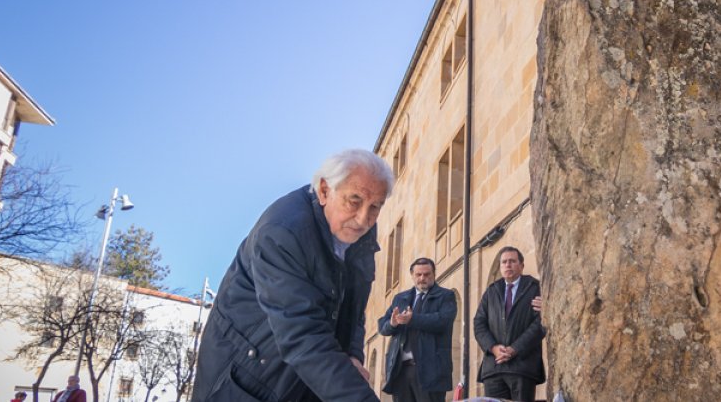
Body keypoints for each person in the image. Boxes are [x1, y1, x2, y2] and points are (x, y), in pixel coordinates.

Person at [192, 149, 394, 402]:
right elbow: (303, 334)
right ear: (324, 190)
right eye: (354, 201)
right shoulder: (281, 233)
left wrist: (352, 354)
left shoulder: (361, 234)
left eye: (375, 206)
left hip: (306, 374)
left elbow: (354, 309)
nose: (364, 219)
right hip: (245, 379)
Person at [377, 257, 457, 402]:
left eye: (427, 274)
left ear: (434, 274)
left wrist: (412, 319)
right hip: (401, 370)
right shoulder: (400, 298)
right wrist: (393, 323)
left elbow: (442, 321)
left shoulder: (446, 296)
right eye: (418, 275)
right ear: (412, 275)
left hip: (431, 371)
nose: (422, 278)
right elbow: (382, 327)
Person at [473, 246, 545, 402]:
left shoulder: (535, 287)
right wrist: (493, 347)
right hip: (494, 368)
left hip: (522, 367)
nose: (508, 265)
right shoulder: (491, 291)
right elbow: (479, 323)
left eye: (512, 261)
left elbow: (541, 323)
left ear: (521, 265)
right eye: (504, 262)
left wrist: (515, 348)